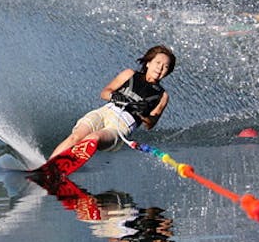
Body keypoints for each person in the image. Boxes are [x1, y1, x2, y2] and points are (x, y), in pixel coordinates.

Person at [47, 45, 176, 161]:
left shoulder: (162, 96)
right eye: (158, 63)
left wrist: (142, 114)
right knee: (75, 137)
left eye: (165, 67)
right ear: (148, 63)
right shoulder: (129, 74)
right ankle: (49, 165)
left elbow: (150, 124)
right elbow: (104, 93)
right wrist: (115, 96)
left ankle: (62, 166)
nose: (160, 68)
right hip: (105, 112)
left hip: (121, 125)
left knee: (94, 138)